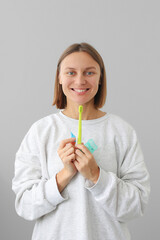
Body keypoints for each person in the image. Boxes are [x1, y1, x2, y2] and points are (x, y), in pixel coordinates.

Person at [12, 42, 150, 240]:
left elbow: (136, 205)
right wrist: (64, 176)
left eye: (89, 72)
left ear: (100, 78)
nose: (79, 80)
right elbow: (24, 206)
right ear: (59, 77)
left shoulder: (122, 132)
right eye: (70, 72)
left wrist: (95, 175)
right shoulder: (40, 132)